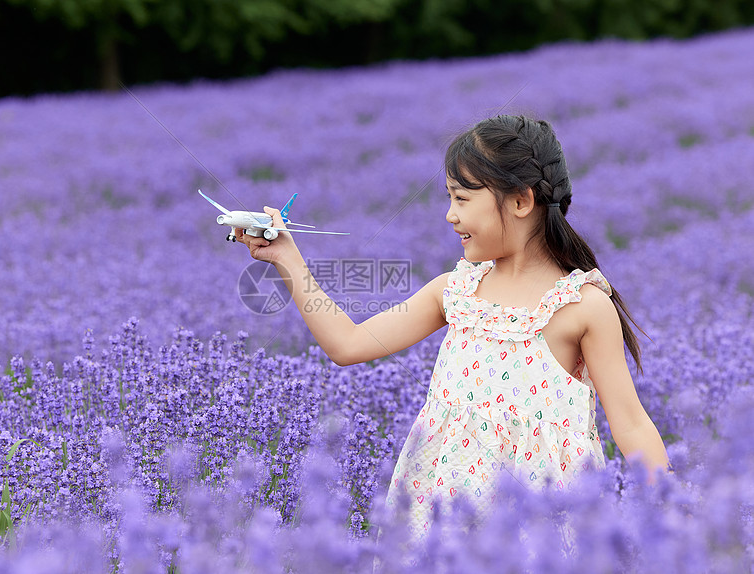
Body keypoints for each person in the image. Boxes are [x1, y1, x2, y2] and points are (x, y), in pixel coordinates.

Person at [235, 114, 669, 537]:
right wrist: (287, 259)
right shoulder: (455, 292)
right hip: (442, 517)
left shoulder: (581, 305)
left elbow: (630, 424)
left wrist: (670, 517)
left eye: (462, 199)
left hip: (540, 525)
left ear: (521, 201)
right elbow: (347, 344)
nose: (449, 215)